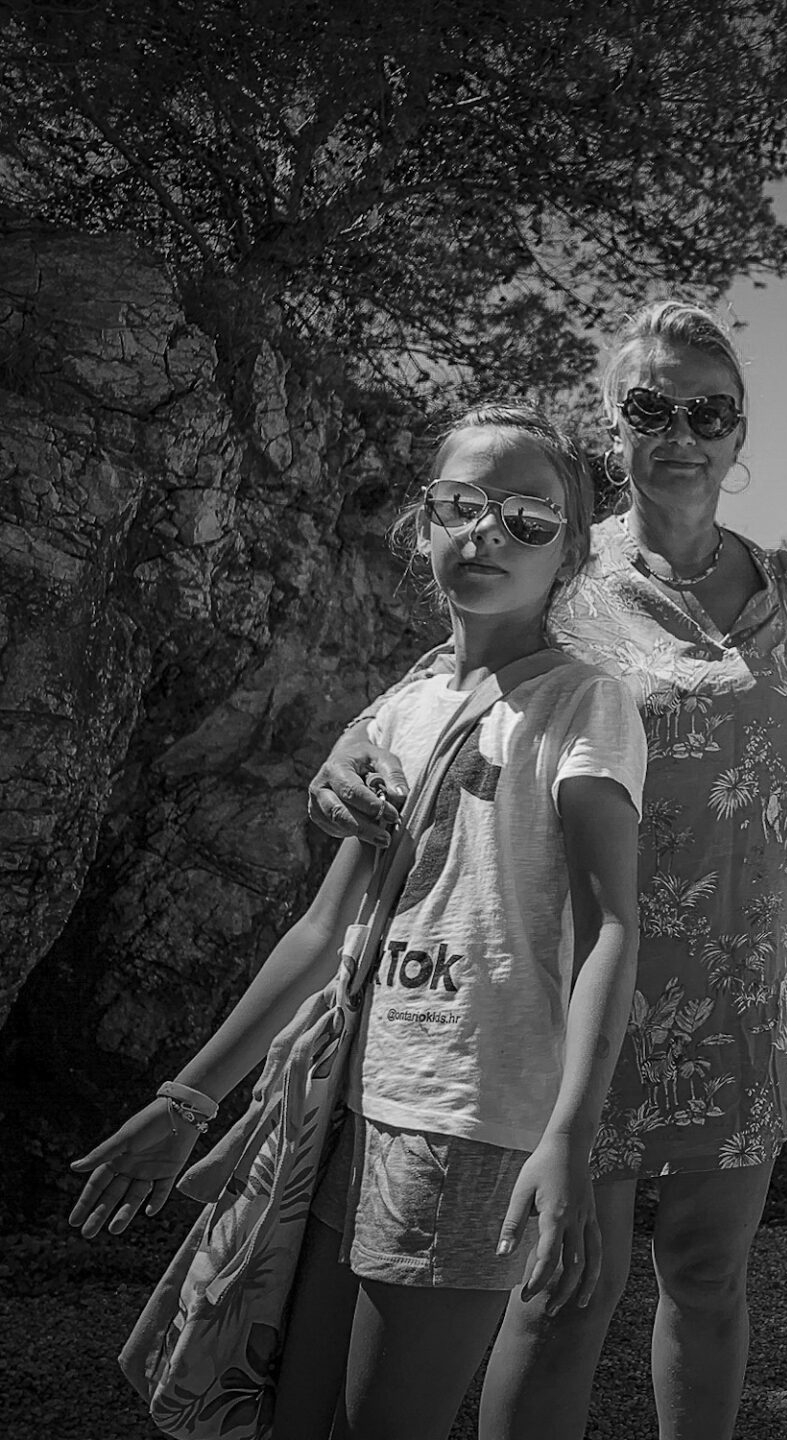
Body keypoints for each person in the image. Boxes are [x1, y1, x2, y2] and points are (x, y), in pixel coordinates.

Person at [306, 300, 787, 1440]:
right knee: (562, 1291)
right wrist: (349, 745)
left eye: (710, 413)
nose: (681, 434)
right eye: (653, 408)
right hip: (585, 977)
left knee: (708, 1273)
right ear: (614, 425)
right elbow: (453, 673)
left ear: (740, 435)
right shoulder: (564, 558)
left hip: (749, 977)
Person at [69, 402, 647, 1440]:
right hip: (346, 1104)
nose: (487, 533)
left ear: (569, 557)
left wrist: (569, 1135)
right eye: (462, 505)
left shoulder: (583, 706)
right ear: (422, 526)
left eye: (528, 519)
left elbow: (612, 928)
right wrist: (188, 1097)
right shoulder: (399, 705)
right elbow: (324, 928)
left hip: (469, 1122)